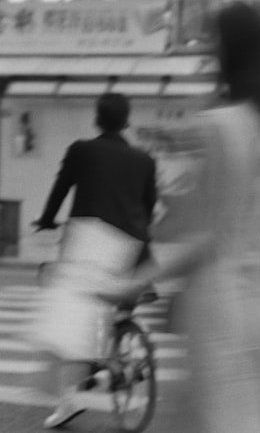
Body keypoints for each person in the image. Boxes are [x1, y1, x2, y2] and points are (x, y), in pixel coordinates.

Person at [127, 1, 260, 432]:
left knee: (215, 417)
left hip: (215, 303)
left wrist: (134, 281)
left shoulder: (220, 124)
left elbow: (206, 236)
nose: (205, 50)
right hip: (254, 299)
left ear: (227, 49)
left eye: (212, 40)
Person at [31, 93, 158, 429]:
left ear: (96, 119)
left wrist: (46, 219)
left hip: (92, 241)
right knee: (116, 308)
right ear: (127, 121)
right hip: (133, 247)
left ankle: (69, 401)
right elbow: (148, 207)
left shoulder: (81, 150)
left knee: (70, 323)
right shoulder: (145, 160)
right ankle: (124, 358)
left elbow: (61, 188)